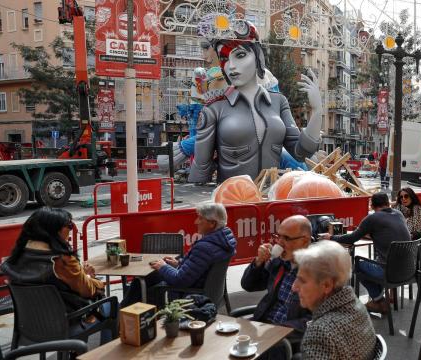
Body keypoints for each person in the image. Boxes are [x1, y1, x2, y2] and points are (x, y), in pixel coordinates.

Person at [188, 20, 322, 184]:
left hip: (271, 197)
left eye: (240, 55)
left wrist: (317, 111)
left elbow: (301, 153)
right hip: (233, 199)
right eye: (225, 58)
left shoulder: (278, 102)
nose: (231, 66)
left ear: (258, 55)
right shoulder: (214, 109)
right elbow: (200, 170)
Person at [0, 208, 112, 343]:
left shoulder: (20, 255)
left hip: (28, 327)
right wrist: (94, 280)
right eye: (69, 225)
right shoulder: (61, 260)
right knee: (111, 304)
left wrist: (82, 275)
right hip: (65, 323)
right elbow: (87, 290)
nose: (71, 229)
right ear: (54, 229)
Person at [120, 202, 237, 308]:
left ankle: (121, 314)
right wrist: (179, 263)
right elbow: (198, 268)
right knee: (147, 278)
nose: (196, 222)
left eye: (200, 218)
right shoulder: (223, 242)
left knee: (141, 283)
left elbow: (180, 280)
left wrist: (163, 266)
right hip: (202, 288)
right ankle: (125, 312)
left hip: (189, 294)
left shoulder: (205, 248)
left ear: (212, 223)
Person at [319, 193, 411, 313]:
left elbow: (352, 238)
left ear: (372, 205)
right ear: (387, 203)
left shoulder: (373, 218)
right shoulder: (398, 214)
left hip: (389, 272)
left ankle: (379, 300)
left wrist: (331, 238)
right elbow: (388, 233)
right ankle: (379, 299)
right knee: (373, 264)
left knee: (358, 265)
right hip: (408, 271)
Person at [240, 215, 313, 359]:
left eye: (286, 238)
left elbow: (315, 320)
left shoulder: (318, 269)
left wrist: (277, 331)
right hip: (263, 325)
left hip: (287, 340)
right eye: (278, 236)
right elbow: (248, 285)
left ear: (304, 241)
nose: (279, 243)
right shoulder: (279, 262)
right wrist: (258, 262)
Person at [292, 241, 376, 360]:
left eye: (302, 280)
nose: (294, 287)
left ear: (326, 285)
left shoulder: (320, 333)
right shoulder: (356, 304)